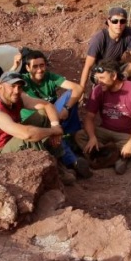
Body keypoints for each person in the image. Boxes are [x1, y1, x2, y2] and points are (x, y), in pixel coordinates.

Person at [0, 70, 77, 183]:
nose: (16, 91)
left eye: (19, 87)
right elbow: (27, 134)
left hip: (10, 142)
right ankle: (54, 172)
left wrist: (56, 126)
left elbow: (47, 105)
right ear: (1, 87)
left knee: (43, 113)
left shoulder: (17, 99)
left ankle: (59, 161)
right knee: (29, 139)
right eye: (12, 86)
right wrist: (53, 131)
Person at [9, 50, 91, 179]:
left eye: (42, 65)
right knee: (51, 125)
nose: (40, 70)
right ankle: (72, 161)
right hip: (36, 119)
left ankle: (72, 137)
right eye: (35, 66)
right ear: (27, 68)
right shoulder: (23, 81)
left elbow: (78, 88)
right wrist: (14, 67)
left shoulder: (50, 77)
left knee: (71, 95)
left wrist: (66, 108)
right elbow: (4, 84)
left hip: (53, 116)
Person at [75, 59, 131, 175]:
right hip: (104, 131)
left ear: (114, 76)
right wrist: (92, 137)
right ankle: (117, 158)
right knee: (80, 135)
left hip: (125, 134)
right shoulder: (98, 90)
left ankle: (99, 157)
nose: (99, 82)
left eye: (102, 78)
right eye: (98, 78)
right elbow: (89, 117)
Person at [79, 7, 131, 95]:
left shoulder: (128, 33)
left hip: (116, 67)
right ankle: (103, 89)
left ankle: (127, 90)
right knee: (107, 83)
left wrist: (125, 74)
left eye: (122, 21)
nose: (119, 24)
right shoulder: (99, 38)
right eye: (115, 21)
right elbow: (88, 66)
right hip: (101, 70)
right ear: (108, 22)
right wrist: (81, 90)